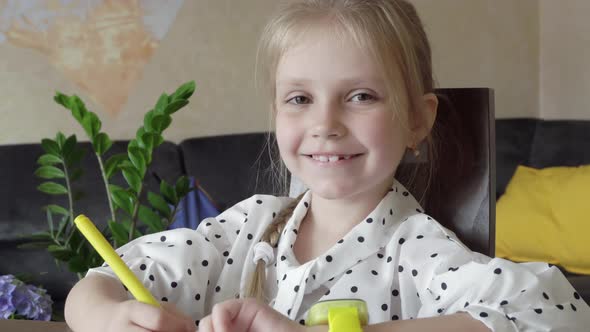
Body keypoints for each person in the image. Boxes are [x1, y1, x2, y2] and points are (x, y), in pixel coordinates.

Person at [64, 1, 590, 331]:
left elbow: (555, 313)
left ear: (417, 120)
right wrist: (109, 316)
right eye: (298, 99)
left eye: (360, 95)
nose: (325, 123)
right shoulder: (249, 229)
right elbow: (101, 283)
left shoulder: (415, 250)